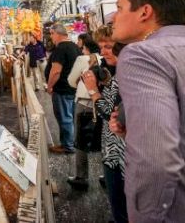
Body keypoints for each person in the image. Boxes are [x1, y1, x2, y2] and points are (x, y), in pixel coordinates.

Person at [109, 0, 185, 223]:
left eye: (120, 8)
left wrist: (144, 217)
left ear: (145, 12)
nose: (113, 17)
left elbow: (155, 158)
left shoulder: (142, 55)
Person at [81, 27, 128, 223]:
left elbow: (110, 114)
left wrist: (93, 91)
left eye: (108, 46)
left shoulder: (125, 75)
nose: (103, 52)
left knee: (121, 201)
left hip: (119, 152)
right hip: (117, 148)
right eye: (101, 47)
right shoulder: (121, 72)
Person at [66, 37, 101, 189]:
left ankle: (82, 177)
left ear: (86, 47)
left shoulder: (82, 59)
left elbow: (71, 80)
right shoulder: (104, 58)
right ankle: (106, 174)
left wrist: (81, 83)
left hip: (85, 102)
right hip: (103, 101)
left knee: (81, 139)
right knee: (103, 138)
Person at [45, 23, 80, 154]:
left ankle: (68, 146)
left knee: (65, 118)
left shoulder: (60, 49)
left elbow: (55, 72)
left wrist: (49, 86)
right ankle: (71, 142)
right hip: (74, 89)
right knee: (71, 118)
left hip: (62, 89)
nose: (51, 38)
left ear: (56, 33)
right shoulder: (75, 47)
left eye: (52, 34)